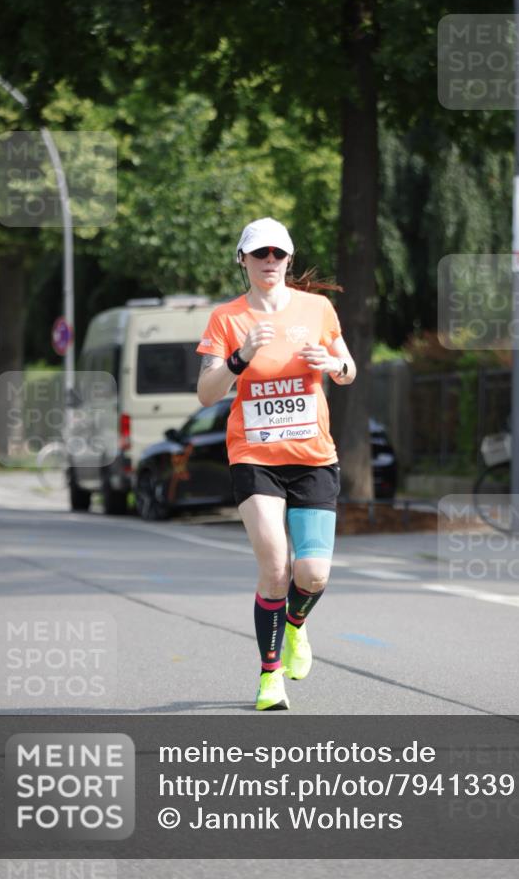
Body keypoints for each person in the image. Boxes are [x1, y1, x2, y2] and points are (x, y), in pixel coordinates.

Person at [196, 217, 356, 710]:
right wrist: (241, 357)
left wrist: (333, 366)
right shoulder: (227, 319)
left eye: (278, 254)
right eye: (259, 254)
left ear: (289, 259)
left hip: (312, 458)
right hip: (255, 457)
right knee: (275, 568)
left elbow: (347, 369)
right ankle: (269, 677)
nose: (269, 262)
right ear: (242, 259)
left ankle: (296, 627)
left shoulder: (318, 309)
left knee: (312, 575)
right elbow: (206, 394)